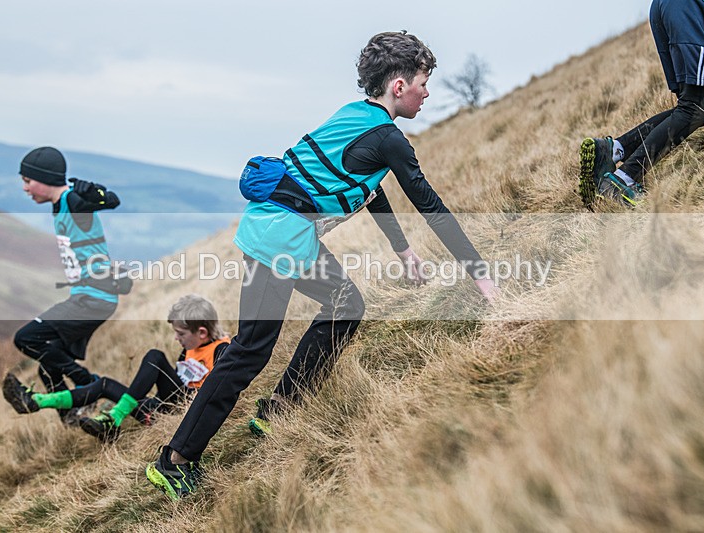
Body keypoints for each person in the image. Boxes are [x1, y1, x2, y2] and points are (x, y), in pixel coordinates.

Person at [144, 30, 499, 501]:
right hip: (280, 239)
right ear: (398, 86)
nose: (426, 92)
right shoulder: (389, 138)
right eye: (422, 82)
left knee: (345, 304)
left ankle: (281, 406)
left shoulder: (358, 117)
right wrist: (481, 274)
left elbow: (371, 186)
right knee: (252, 349)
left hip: (281, 231)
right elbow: (431, 206)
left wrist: (402, 251)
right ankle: (175, 460)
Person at [2, 294, 230, 442]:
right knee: (104, 384)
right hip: (159, 408)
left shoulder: (222, 349)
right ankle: (37, 401)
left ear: (202, 332)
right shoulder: (192, 347)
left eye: (180, 334)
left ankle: (114, 417)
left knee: (155, 356)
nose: (176, 339)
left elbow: (219, 388)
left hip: (185, 407)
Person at [11, 146, 122, 424]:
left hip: (94, 298)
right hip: (89, 296)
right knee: (48, 367)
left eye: (27, 181)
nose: (25, 188)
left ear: (44, 178)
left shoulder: (72, 200)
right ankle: (73, 417)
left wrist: (95, 193)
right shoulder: (60, 204)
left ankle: (89, 384)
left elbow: (110, 201)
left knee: (25, 338)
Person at [579, 0, 704, 209]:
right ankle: (624, 177)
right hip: (691, 10)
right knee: (694, 109)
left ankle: (614, 149)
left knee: (689, 107)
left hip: (665, 9)